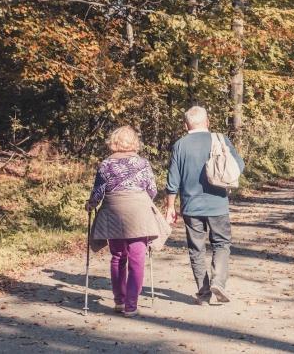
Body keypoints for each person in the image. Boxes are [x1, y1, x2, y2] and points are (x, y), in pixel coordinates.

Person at [85, 126, 170, 317]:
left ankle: (119, 301)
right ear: (134, 142)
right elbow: (152, 190)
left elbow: (98, 191)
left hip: (114, 211)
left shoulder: (105, 164)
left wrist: (91, 204)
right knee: (137, 258)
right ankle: (131, 305)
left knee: (117, 256)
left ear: (114, 142)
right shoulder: (143, 163)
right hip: (138, 211)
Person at [165, 106, 245, 305]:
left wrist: (170, 207)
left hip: (191, 207)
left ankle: (203, 292)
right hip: (218, 204)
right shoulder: (220, 139)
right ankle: (219, 281)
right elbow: (239, 166)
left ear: (186, 125)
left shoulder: (180, 145)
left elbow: (172, 180)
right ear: (207, 122)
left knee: (196, 248)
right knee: (221, 243)